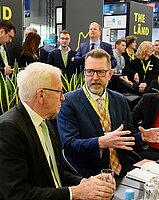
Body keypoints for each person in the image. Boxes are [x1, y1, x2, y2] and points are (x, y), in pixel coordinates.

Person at [0, 62, 115, 200]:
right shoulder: (9, 129)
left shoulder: (45, 122)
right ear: (41, 95)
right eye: (59, 91)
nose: (63, 97)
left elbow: (55, 173)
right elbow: (17, 195)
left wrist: (85, 183)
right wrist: (75, 192)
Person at [57, 48, 159, 178]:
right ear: (84, 73)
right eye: (90, 72)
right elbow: (69, 146)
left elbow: (127, 136)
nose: (95, 77)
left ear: (110, 74)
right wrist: (100, 142)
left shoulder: (120, 100)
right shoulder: (68, 102)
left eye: (101, 72)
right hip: (91, 175)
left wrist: (142, 138)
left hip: (123, 171)